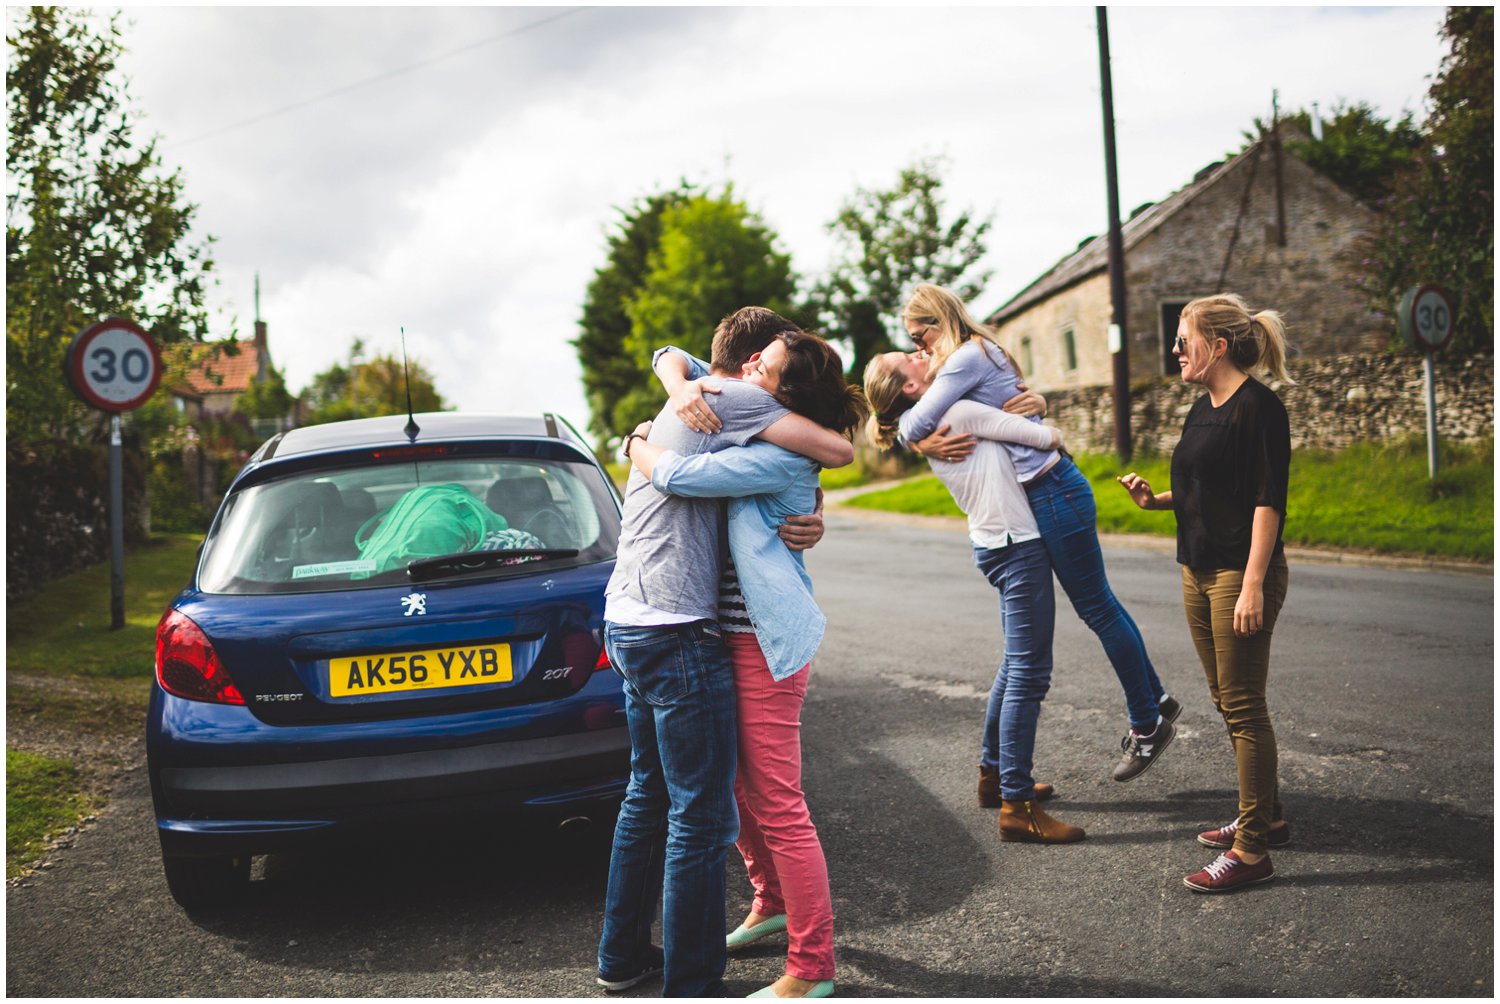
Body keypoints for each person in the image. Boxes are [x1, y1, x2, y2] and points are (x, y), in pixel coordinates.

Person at [596, 308, 853, 998]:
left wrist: (637, 445)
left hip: (761, 643)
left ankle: (811, 967)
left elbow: (682, 477)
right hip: (713, 634)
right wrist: (674, 384)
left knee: (774, 801)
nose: (739, 379)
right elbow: (673, 353)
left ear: (776, 390)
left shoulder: (766, 441)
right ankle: (769, 903)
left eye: (760, 371)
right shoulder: (728, 402)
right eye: (749, 364)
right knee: (732, 790)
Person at [895, 283, 1180, 783]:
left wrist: (920, 440)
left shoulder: (964, 357)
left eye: (920, 337)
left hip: (1052, 489)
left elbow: (915, 421)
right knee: (1098, 606)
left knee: (1096, 606)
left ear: (938, 322)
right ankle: (1153, 703)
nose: (921, 349)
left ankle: (1147, 720)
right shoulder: (980, 352)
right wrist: (922, 438)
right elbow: (925, 421)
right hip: (1047, 489)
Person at [864, 350, 1086, 844]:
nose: (923, 354)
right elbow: (1046, 437)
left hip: (993, 543)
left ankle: (994, 777)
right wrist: (1035, 413)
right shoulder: (959, 414)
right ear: (910, 389)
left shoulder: (933, 424)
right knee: (1030, 674)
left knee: (1015, 665)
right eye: (911, 358)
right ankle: (1018, 805)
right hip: (1016, 545)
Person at [1116, 293, 1293, 893]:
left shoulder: (1258, 409)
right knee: (1224, 696)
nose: (1175, 349)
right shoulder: (1203, 405)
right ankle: (1264, 815)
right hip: (1195, 568)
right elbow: (1209, 488)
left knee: (1243, 705)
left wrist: (1251, 587)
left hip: (1237, 575)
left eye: (1183, 338)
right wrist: (1155, 501)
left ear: (1216, 346)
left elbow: (1268, 501)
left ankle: (1251, 852)